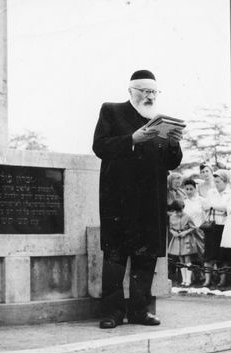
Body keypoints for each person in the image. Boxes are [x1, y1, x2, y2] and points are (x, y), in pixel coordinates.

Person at [93, 69, 183, 329]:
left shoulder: (160, 121)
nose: (149, 96)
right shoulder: (111, 110)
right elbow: (99, 146)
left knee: (145, 259)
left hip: (150, 202)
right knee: (115, 258)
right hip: (118, 201)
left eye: (153, 91)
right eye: (144, 90)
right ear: (131, 91)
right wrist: (132, 139)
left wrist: (174, 144)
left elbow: (171, 162)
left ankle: (139, 312)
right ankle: (112, 313)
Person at [202, 169, 231, 287]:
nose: (216, 184)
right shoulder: (211, 192)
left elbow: (226, 208)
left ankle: (222, 280)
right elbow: (204, 205)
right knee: (209, 254)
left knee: (222, 255)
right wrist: (215, 206)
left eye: (218, 182)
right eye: (215, 181)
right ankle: (207, 279)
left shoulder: (229, 193)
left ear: (225, 181)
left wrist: (213, 205)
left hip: (224, 227)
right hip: (211, 225)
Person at [168, 200, 203, 287]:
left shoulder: (187, 217)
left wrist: (185, 232)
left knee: (187, 258)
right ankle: (184, 280)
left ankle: (188, 280)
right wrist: (173, 232)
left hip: (186, 239)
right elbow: (170, 227)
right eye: (177, 211)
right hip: (177, 239)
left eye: (180, 211)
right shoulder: (172, 217)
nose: (179, 213)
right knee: (181, 259)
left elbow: (193, 227)